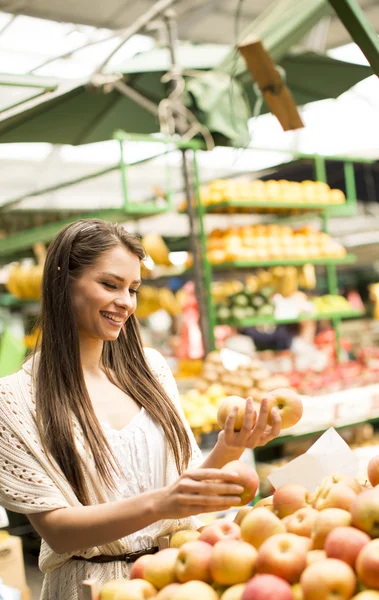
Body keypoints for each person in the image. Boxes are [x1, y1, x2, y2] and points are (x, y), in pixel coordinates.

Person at [0, 219, 282, 600]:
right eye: (110, 285)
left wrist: (230, 447)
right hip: (91, 589)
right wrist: (160, 503)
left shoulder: (150, 370)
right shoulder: (15, 399)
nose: (126, 302)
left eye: (133, 289)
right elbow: (57, 530)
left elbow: (182, 491)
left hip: (178, 577)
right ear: (62, 281)